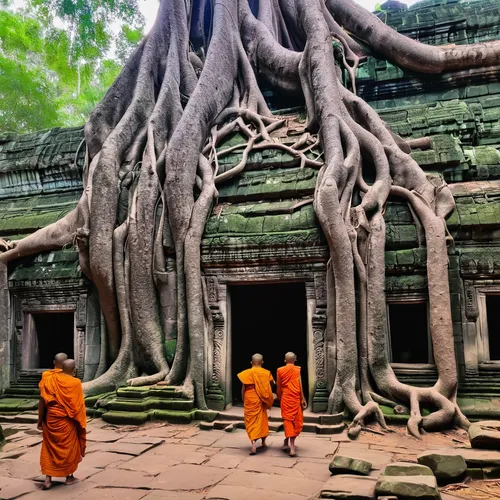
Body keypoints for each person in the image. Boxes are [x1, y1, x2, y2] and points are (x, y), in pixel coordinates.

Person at [38, 359, 87, 490]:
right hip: (67, 422)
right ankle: (68, 477)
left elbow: (42, 401)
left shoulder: (49, 380)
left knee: (49, 448)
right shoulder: (76, 383)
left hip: (51, 420)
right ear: (74, 370)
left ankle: (48, 479)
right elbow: (78, 406)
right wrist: (80, 421)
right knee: (69, 447)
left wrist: (39, 420)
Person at [238, 353, 275, 455]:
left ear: (251, 362)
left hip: (250, 399)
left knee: (251, 422)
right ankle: (263, 442)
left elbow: (243, 388)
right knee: (262, 421)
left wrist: (243, 399)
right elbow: (270, 385)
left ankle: (253, 443)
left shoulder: (246, 373)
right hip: (261, 400)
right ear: (262, 362)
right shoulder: (266, 373)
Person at [277, 352, 307, 457]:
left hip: (290, 399)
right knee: (290, 422)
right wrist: (303, 398)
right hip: (293, 398)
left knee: (293, 423)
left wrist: (279, 397)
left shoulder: (285, 370)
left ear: (285, 360)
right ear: (295, 360)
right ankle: (292, 447)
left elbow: (279, 387)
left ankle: (286, 441)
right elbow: (300, 385)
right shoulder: (285, 370)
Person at [37, 353, 68, 431]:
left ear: (54, 362)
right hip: (66, 414)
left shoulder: (46, 375)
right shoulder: (69, 376)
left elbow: (43, 399)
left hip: (50, 412)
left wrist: (40, 420)